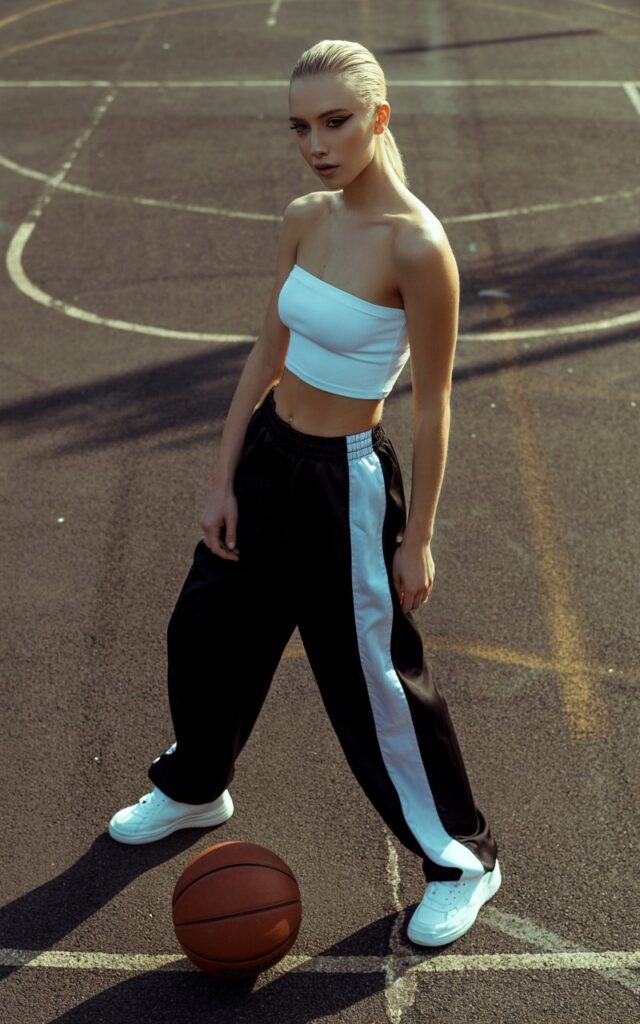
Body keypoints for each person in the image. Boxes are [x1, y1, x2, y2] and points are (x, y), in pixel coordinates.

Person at [107, 39, 501, 947]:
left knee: (374, 685)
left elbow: (435, 406)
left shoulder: (418, 245)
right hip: (272, 461)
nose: (318, 144)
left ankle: (461, 858)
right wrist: (222, 477)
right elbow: (265, 350)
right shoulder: (303, 217)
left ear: (379, 119)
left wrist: (419, 538)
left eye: (337, 122)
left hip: (347, 484)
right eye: (302, 127)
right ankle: (196, 786)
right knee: (204, 633)